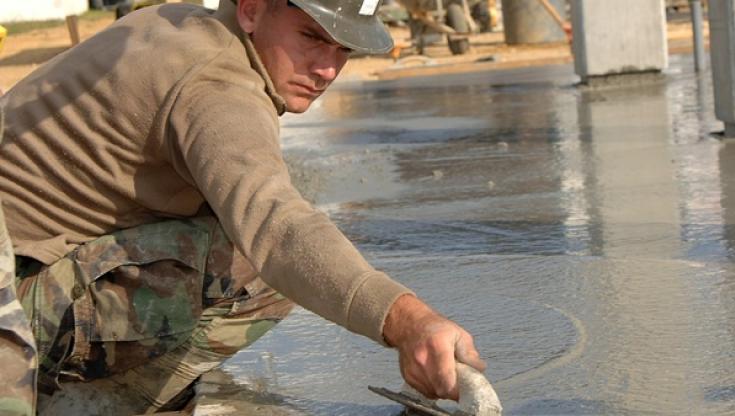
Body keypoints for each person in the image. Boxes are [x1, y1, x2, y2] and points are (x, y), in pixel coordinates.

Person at [0, 0, 485, 414]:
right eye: (313, 37)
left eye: (345, 50)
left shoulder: (179, 24)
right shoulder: (218, 85)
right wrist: (407, 320)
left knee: (230, 228)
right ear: (252, 8)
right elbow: (278, 228)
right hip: (13, 304)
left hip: (22, 261)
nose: (328, 70)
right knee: (256, 262)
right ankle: (102, 403)